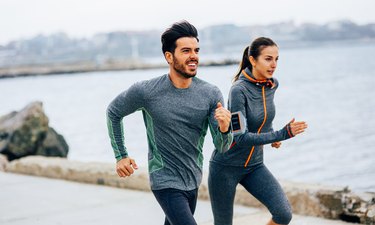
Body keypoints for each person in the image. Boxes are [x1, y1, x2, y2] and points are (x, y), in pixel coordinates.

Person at [106, 20, 233, 225]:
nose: (194, 56)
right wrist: (121, 155)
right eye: (186, 51)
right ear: (169, 56)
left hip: (192, 180)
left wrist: (226, 129)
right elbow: (113, 112)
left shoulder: (211, 94)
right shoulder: (147, 91)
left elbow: (222, 146)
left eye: (196, 50)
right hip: (164, 180)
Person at [208, 37, 308, 225]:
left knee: (283, 214)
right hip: (225, 168)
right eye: (268, 59)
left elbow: (262, 119)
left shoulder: (272, 85)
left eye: (277, 59)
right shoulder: (239, 90)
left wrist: (271, 135)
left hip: (254, 166)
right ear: (253, 60)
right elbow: (241, 136)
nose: (274, 64)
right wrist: (282, 134)